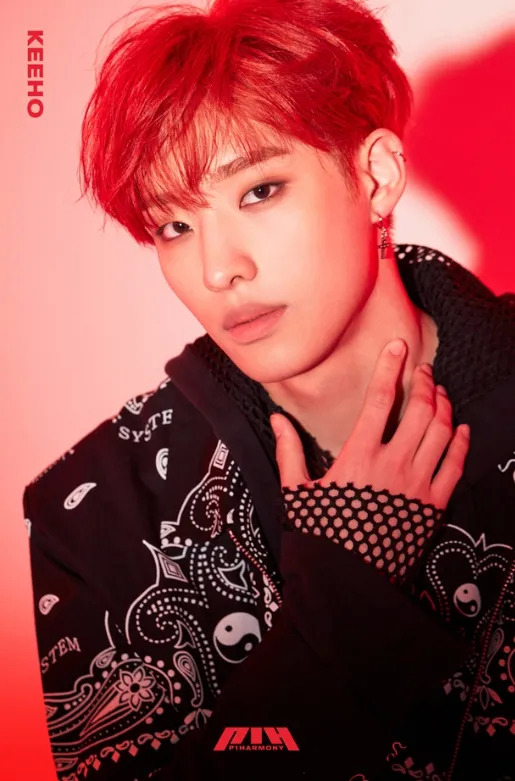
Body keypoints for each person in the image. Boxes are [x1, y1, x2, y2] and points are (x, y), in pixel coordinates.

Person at [23, 0, 515, 779]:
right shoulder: (95, 511)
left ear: (375, 175)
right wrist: (347, 587)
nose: (219, 268)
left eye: (259, 191)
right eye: (173, 227)